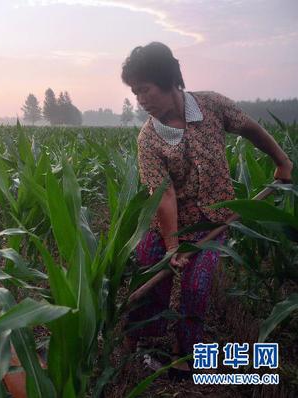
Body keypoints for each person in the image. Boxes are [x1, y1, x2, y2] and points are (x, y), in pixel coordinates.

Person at [119, 42, 293, 378]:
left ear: (168, 81)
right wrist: (171, 246)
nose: (140, 101)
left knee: (196, 288)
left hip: (212, 220)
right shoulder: (149, 140)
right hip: (167, 224)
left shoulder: (211, 106)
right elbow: (163, 194)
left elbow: (251, 130)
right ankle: (145, 340)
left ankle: (184, 353)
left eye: (144, 90)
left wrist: (282, 161)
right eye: (135, 93)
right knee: (148, 276)